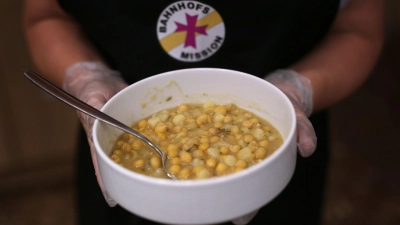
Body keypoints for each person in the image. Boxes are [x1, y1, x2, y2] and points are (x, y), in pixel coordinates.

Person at [22, 0, 384, 224]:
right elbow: (47, 13)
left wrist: (297, 89)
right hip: (115, 124)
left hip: (282, 152)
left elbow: (358, 25)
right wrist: (87, 78)